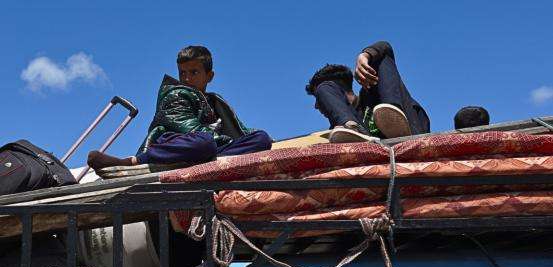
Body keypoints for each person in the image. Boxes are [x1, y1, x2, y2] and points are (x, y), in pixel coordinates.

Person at [87, 46, 272, 171]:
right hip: (177, 143)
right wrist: (221, 141)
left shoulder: (214, 100)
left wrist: (243, 140)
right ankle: (134, 161)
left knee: (261, 138)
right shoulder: (175, 94)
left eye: (194, 72)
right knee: (203, 142)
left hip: (209, 149)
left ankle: (213, 162)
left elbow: (239, 130)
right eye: (182, 72)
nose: (187, 78)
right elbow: (190, 130)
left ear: (210, 76)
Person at [306, 41, 430, 143]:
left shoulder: (371, 92)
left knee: (379, 58)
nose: (316, 106)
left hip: (412, 130)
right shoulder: (340, 128)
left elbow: (385, 47)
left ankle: (394, 118)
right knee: (346, 128)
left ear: (334, 89)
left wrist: (365, 55)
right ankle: (354, 128)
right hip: (370, 140)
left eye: (319, 97)